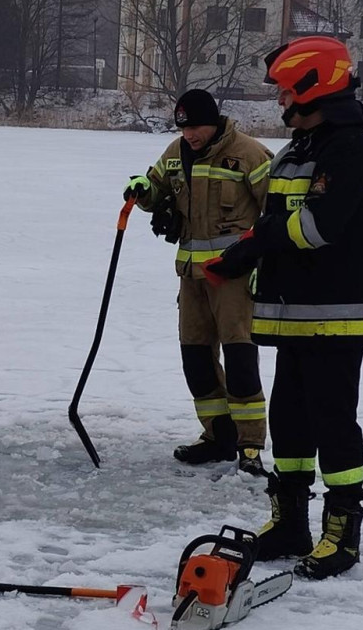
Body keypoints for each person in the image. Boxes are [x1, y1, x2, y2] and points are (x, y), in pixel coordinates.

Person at [203, 36, 363, 580]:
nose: (280, 102)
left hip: (336, 312)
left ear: (315, 87)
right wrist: (240, 254)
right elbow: (275, 218)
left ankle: (342, 529)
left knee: (333, 421)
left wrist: (256, 246)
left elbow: (317, 227)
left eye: (285, 91)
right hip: (294, 312)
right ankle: (289, 522)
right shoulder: (303, 147)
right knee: (289, 419)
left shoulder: (350, 149)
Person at [123, 89, 273, 475]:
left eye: (195, 127)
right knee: (196, 359)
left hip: (234, 278)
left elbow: (276, 211)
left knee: (240, 360)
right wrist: (142, 190)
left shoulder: (249, 154)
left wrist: (260, 257)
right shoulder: (176, 153)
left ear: (214, 121)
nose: (189, 135)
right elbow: (157, 187)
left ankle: (250, 444)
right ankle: (218, 436)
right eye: (184, 128)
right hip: (190, 277)